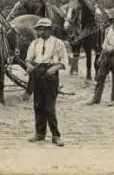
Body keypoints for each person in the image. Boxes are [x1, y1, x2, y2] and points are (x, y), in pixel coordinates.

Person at [25, 18, 68, 147]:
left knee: (49, 107)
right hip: (37, 73)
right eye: (39, 29)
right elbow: (28, 59)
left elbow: (64, 61)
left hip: (51, 75)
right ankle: (39, 133)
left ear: (49, 30)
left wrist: (54, 68)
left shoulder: (58, 43)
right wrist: (29, 66)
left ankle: (56, 135)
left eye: (43, 29)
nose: (41, 32)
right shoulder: (34, 43)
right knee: (38, 105)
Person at [86, 12, 114, 107]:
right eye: (112, 20)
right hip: (106, 55)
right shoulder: (108, 30)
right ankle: (96, 98)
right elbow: (104, 45)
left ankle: (113, 99)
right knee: (100, 77)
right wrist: (101, 57)